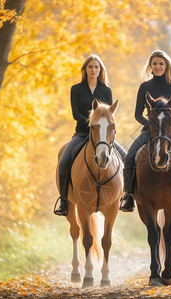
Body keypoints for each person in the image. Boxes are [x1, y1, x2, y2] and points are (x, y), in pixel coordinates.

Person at [119, 50, 171, 212]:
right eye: (155, 64)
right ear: (150, 66)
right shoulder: (144, 87)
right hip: (149, 131)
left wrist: (170, 127)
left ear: (166, 66)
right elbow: (137, 114)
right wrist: (151, 125)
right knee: (130, 157)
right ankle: (128, 196)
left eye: (161, 64)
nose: (158, 66)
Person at [54, 55, 126, 216]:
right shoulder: (76, 89)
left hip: (103, 137)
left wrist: (103, 128)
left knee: (127, 158)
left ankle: (126, 196)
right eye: (90, 67)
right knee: (64, 160)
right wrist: (92, 124)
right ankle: (64, 201)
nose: (93, 70)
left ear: (100, 70)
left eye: (96, 67)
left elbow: (109, 115)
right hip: (82, 133)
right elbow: (75, 113)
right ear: (85, 69)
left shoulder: (106, 90)